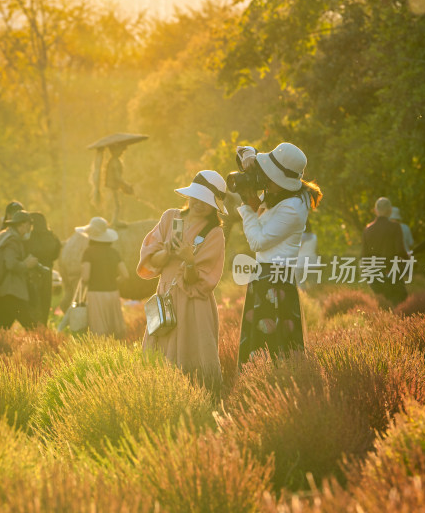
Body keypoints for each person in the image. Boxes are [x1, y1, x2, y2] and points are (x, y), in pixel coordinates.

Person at [235, 143, 322, 366]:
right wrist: (248, 155)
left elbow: (257, 241)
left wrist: (246, 206)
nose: (264, 179)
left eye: (269, 176)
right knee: (264, 348)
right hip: (265, 278)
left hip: (274, 282)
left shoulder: (292, 207)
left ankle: (276, 389)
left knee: (272, 350)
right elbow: (242, 149)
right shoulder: (282, 196)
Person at [138, 171, 227, 388]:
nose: (199, 204)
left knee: (192, 354)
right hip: (166, 297)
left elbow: (202, 282)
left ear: (214, 205)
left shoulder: (213, 233)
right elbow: (151, 260)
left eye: (206, 201)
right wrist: (168, 252)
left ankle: (200, 404)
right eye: (196, 197)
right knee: (159, 352)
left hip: (193, 303)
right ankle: (161, 397)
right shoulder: (170, 217)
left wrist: (189, 261)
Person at [79, 216, 128, 339]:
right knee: (115, 332)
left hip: (95, 294)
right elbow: (125, 275)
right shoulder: (114, 252)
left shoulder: (88, 252)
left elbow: (85, 277)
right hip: (113, 293)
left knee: (99, 332)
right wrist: (113, 282)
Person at [0, 210, 38, 329]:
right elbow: (11, 264)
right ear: (22, 225)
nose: (29, 229)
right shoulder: (12, 241)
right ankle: (44, 346)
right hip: (12, 292)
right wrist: (27, 264)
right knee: (31, 327)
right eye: (28, 225)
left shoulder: (2, 236)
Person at [362, 197, 409, 305]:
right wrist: (409, 259)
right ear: (390, 210)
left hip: (374, 274)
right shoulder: (395, 227)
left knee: (380, 306)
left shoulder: (367, 230)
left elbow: (364, 256)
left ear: (375, 210)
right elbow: (400, 250)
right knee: (399, 303)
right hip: (392, 272)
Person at [26, 212, 61, 326]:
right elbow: (56, 253)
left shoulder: (28, 237)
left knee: (34, 303)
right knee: (45, 301)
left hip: (32, 272)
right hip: (47, 271)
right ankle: (43, 328)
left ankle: (34, 329)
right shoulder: (52, 237)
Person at [296, 219, 319, 290]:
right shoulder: (315, 237)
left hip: (300, 263)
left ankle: (306, 298)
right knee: (313, 285)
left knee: (300, 285)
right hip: (313, 262)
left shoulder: (299, 237)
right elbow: (316, 249)